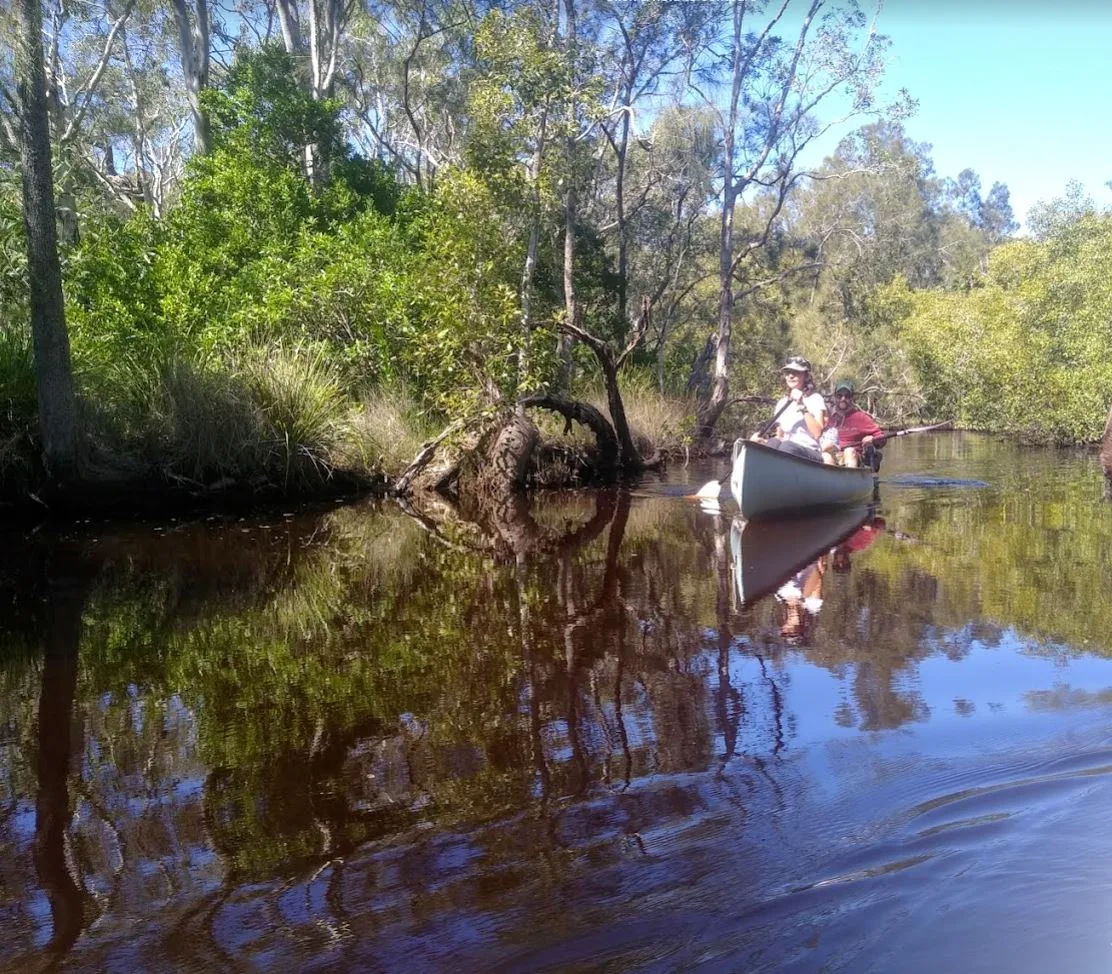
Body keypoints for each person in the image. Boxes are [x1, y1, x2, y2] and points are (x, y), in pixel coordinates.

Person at [752, 355, 826, 463]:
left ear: (806, 376)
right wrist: (762, 443)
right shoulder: (782, 403)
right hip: (786, 451)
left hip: (810, 452)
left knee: (787, 446)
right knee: (773, 442)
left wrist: (801, 405)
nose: (791, 376)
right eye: (788, 372)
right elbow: (780, 436)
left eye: (796, 372)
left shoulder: (816, 399)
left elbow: (817, 433)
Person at [830, 379, 884, 469]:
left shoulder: (861, 417)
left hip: (853, 457)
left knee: (849, 452)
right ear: (835, 397)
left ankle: (850, 480)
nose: (843, 399)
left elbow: (881, 437)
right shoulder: (827, 417)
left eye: (847, 396)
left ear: (852, 398)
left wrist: (873, 439)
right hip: (832, 456)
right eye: (839, 396)